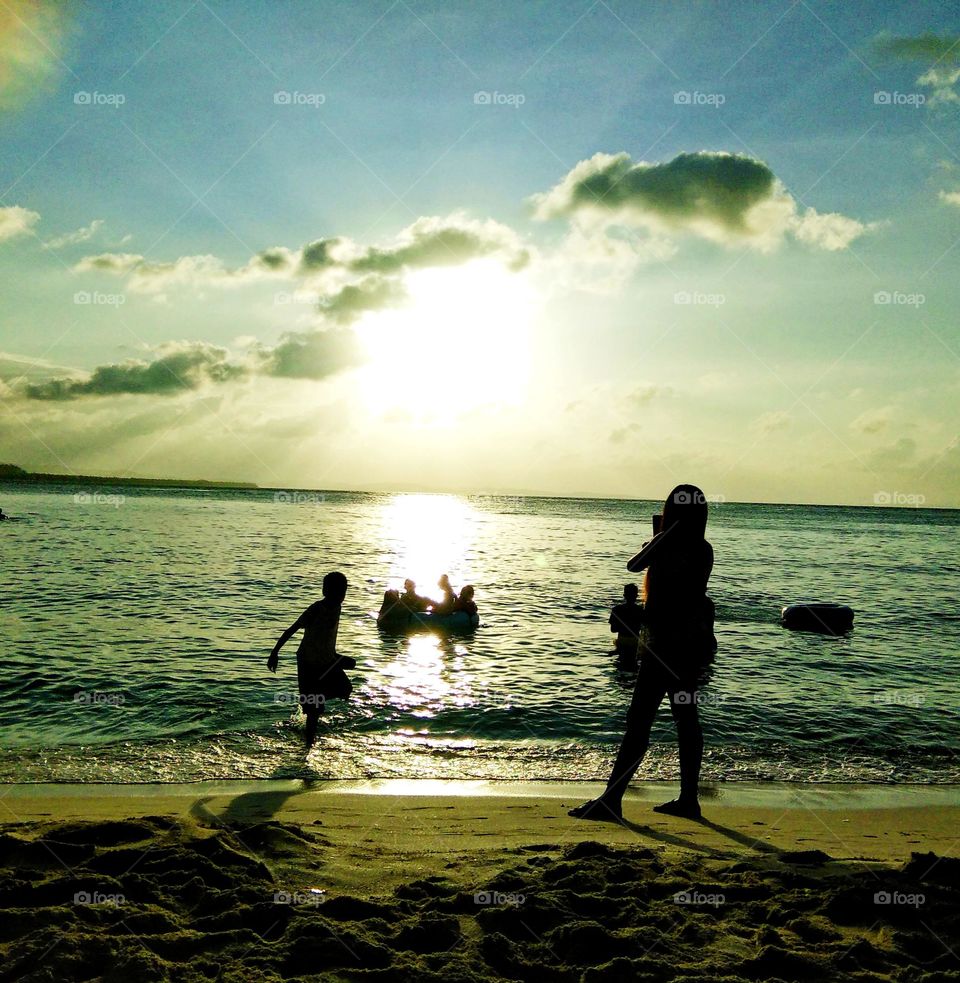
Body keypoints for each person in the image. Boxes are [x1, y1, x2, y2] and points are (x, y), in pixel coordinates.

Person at [570, 484, 717, 823]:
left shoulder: (672, 547)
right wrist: (659, 542)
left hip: (664, 648)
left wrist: (658, 540)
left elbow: (633, 566)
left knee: (639, 723)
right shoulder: (702, 548)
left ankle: (613, 799)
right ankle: (688, 800)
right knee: (685, 721)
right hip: (684, 649)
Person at [267, 571, 355, 749]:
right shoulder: (316, 609)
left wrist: (335, 656)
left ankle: (311, 701)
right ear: (325, 591)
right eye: (336, 592)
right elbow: (292, 629)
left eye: (343, 592)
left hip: (327, 659)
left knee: (345, 689)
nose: (340, 596)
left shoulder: (337, 607)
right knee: (314, 711)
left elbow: (325, 636)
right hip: (308, 661)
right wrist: (275, 652)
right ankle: (308, 747)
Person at [609, 583, 644, 667]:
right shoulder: (641, 610)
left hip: (622, 641)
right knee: (634, 666)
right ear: (636, 596)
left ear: (624, 595)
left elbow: (613, 629)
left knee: (620, 666)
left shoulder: (616, 609)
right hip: (635, 642)